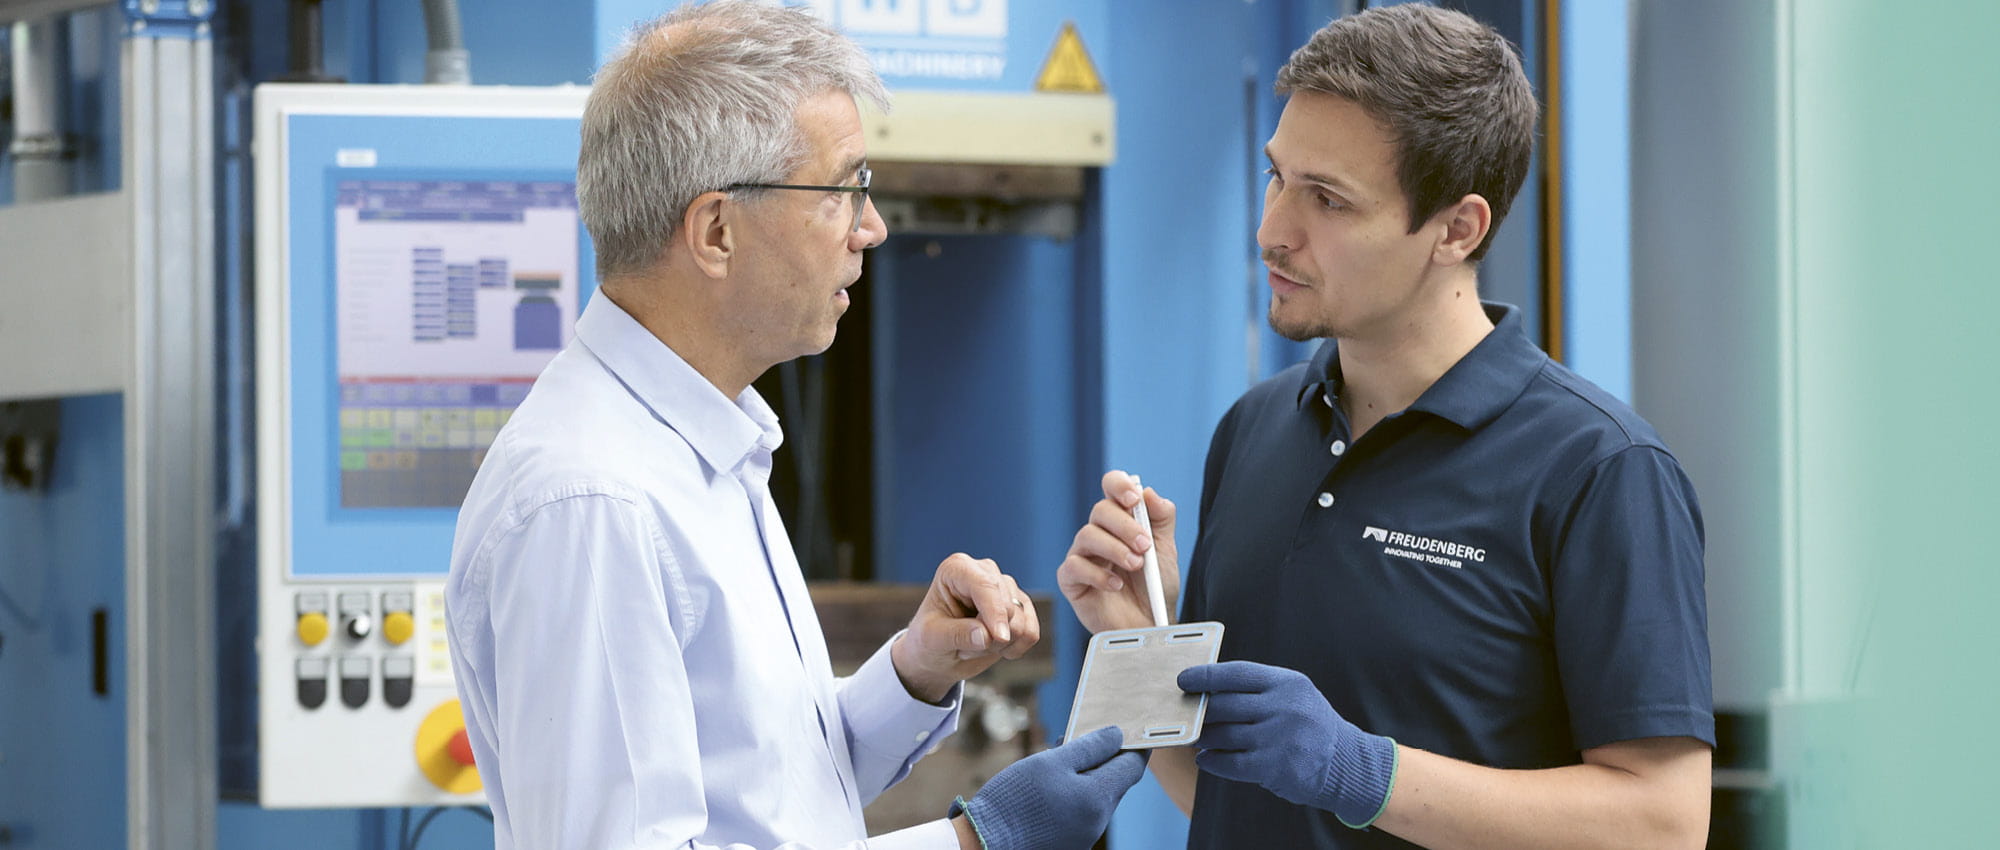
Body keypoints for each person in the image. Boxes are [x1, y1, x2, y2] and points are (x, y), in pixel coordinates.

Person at [444, 4, 1143, 849]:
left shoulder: (708, 444)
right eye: (844, 189)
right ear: (715, 232)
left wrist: (914, 672)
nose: (870, 228)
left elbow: (770, 790)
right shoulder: (592, 500)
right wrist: (974, 842)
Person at [1058, 6, 1712, 849]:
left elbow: (1661, 824)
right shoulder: (1255, 429)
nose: (1273, 232)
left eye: (1328, 199)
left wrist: (1366, 773)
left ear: (1457, 228)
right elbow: (1230, 792)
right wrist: (1139, 638)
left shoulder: (1599, 470)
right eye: (1277, 177)